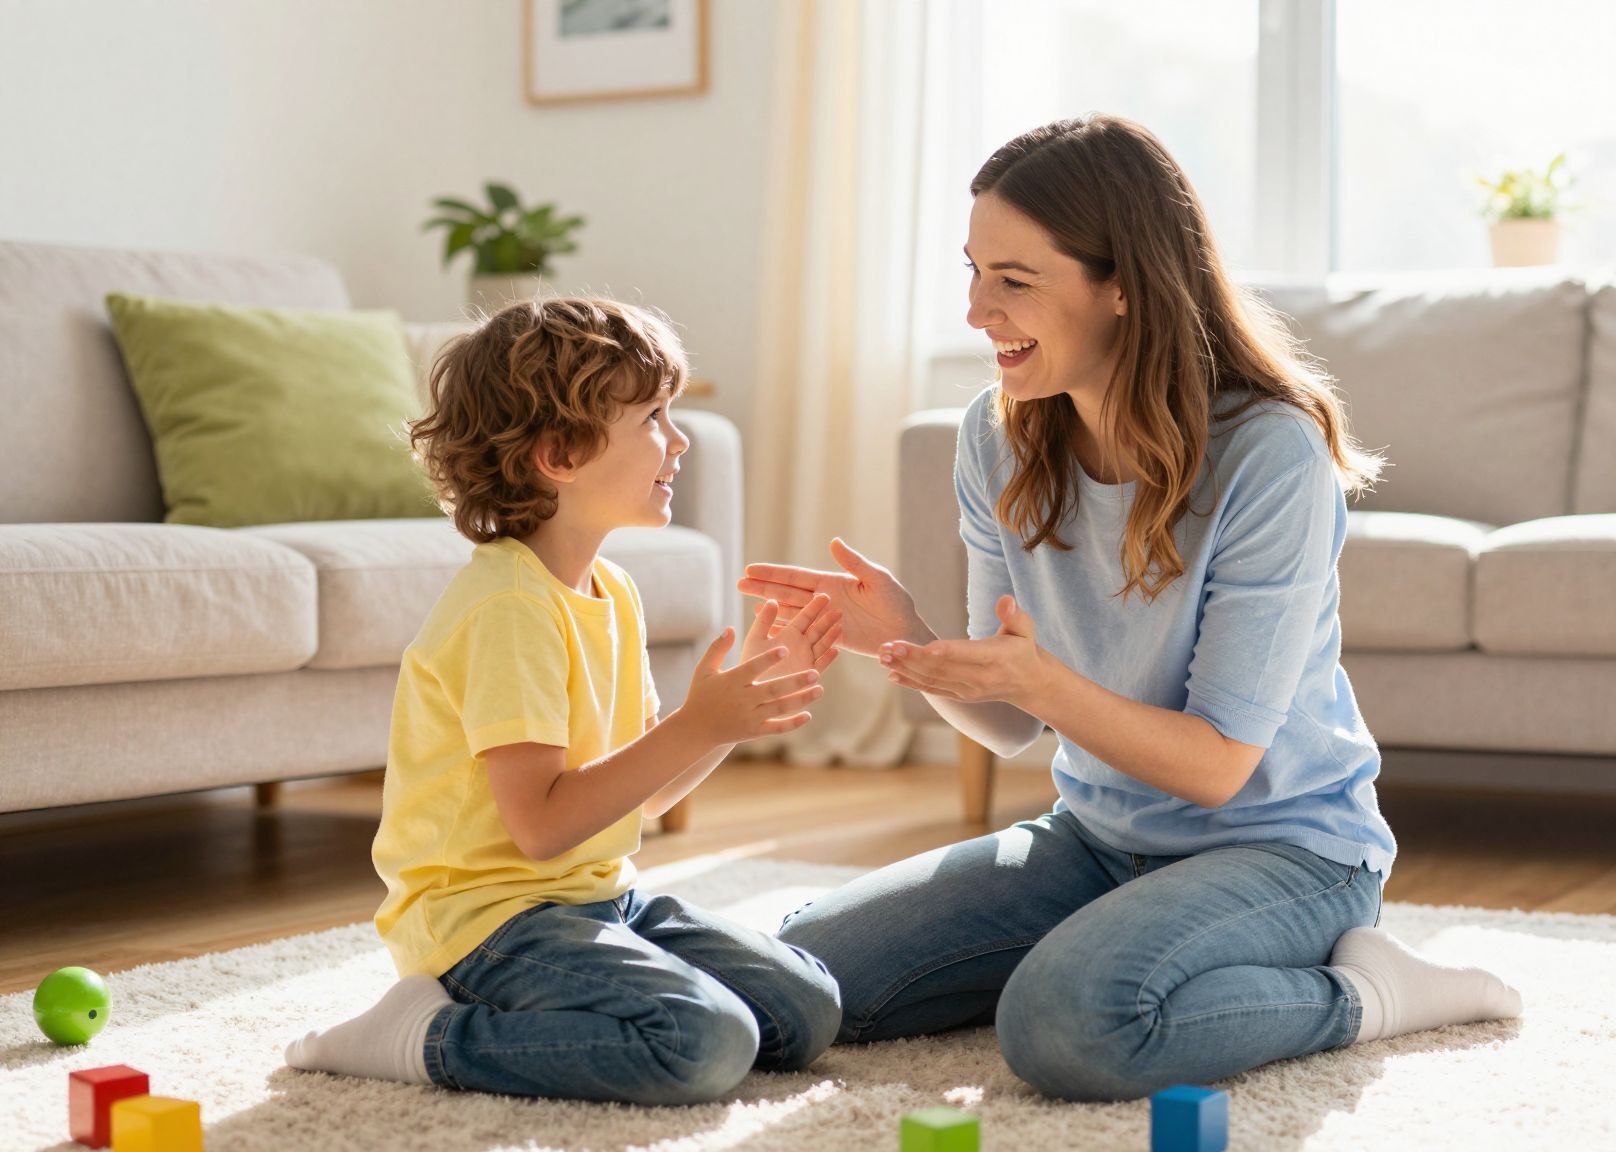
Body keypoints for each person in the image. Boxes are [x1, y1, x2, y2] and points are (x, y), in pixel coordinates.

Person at [743, 116, 1522, 1101]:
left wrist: (1044, 683)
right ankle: (1124, 956)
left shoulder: (1267, 456)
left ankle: (1366, 990)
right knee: (790, 980)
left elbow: (1213, 766)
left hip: (1286, 849)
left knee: (1067, 1026)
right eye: (972, 270)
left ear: (1121, 285)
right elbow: (1015, 721)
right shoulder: (997, 438)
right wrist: (909, 639)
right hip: (1098, 840)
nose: (978, 309)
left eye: (1013, 280)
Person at [284, 297, 843, 1104]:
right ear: (560, 453)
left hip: (597, 902)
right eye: (654, 417)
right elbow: (542, 827)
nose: (680, 441)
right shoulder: (507, 608)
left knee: (806, 1010)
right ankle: (425, 1034)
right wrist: (700, 721)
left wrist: (732, 709)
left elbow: (645, 798)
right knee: (703, 1043)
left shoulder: (611, 590)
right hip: (484, 927)